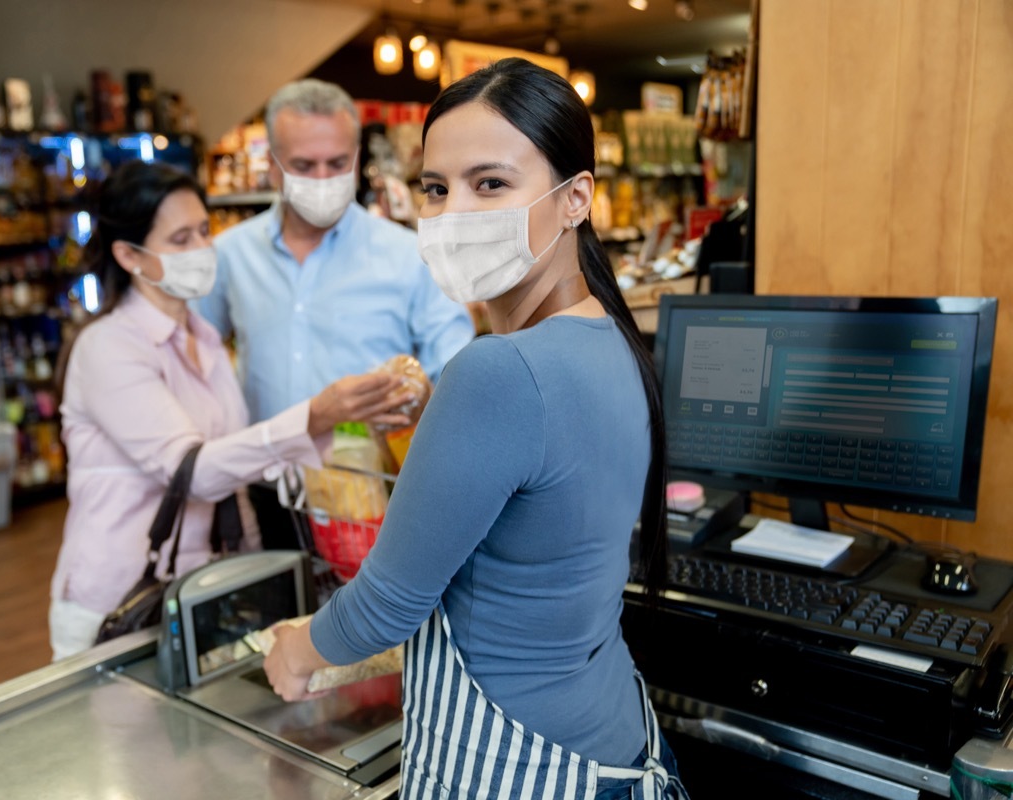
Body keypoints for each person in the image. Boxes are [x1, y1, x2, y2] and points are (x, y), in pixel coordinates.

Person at [263, 59, 687, 800]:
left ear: (575, 198)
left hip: (519, 766)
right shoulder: (612, 339)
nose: (455, 211)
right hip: (615, 742)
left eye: (490, 183)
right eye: (436, 187)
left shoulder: (497, 372)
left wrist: (296, 652)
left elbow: (388, 604)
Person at [49, 160, 409, 661]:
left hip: (204, 590)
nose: (201, 249)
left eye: (203, 231)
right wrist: (314, 417)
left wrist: (349, 441)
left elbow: (238, 458)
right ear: (129, 255)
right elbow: (191, 471)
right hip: (122, 599)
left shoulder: (205, 337)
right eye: (179, 240)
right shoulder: (107, 347)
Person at [193, 78, 475, 549]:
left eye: (337, 163)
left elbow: (458, 368)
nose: (323, 178)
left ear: (356, 157)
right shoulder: (229, 256)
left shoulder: (409, 255)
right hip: (268, 492)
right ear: (273, 167)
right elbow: (194, 355)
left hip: (371, 499)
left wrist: (419, 395)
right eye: (304, 165)